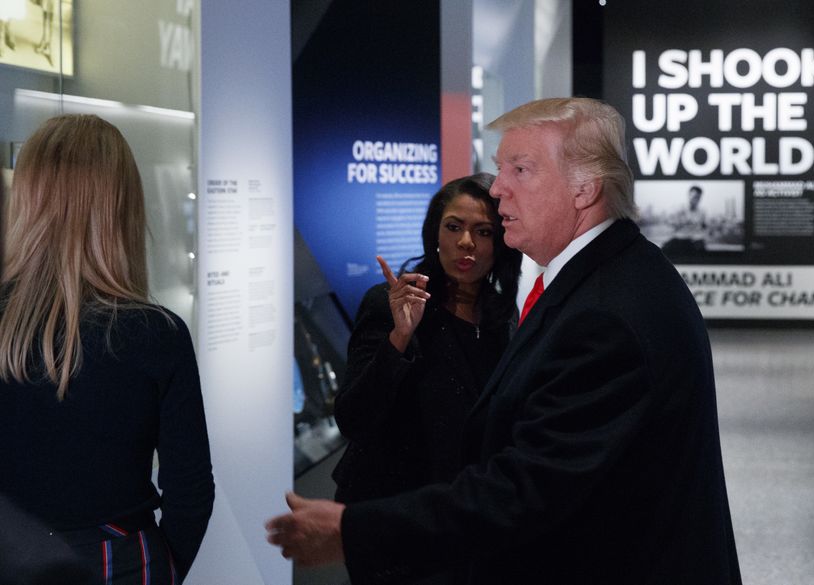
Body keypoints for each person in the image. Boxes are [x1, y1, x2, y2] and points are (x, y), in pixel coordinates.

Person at [266, 97, 742, 585]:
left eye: (521, 169)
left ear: (585, 189)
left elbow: (530, 490)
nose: (499, 189)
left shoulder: (604, 313)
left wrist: (353, 529)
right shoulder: (607, 279)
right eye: (500, 169)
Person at [0, 114, 214, 584]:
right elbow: (191, 492)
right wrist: (160, 568)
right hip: (119, 560)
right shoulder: (157, 334)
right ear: (122, 208)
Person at [332, 173, 521, 507]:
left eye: (483, 231)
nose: (466, 242)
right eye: (453, 227)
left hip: (464, 508)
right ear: (434, 233)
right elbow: (352, 418)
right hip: (391, 509)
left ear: (501, 242)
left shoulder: (500, 312)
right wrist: (399, 338)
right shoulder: (392, 303)